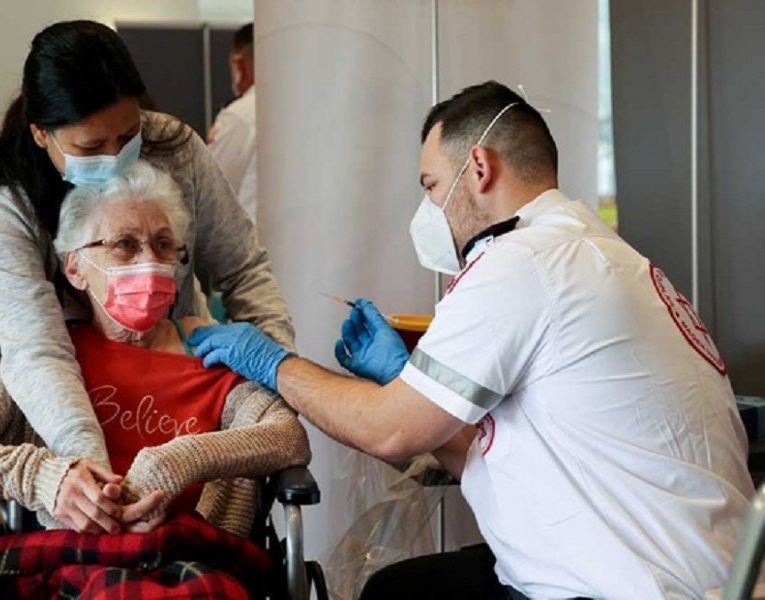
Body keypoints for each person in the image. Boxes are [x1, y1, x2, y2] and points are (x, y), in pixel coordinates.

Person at [188, 81, 755, 598]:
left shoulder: (520, 265)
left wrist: (269, 359)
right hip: (693, 573)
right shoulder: (603, 256)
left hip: (624, 586)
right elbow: (503, 459)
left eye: (431, 186)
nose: (429, 209)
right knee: (400, 589)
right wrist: (401, 380)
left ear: (479, 168)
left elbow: (390, 431)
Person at [0, 162, 310, 595]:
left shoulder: (214, 353)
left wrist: (174, 461)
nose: (150, 262)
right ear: (75, 268)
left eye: (163, 245)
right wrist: (45, 477)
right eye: (124, 245)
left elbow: (288, 435)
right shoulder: (49, 365)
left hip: (193, 556)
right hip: (75, 559)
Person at [0, 20, 293, 506]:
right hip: (71, 408)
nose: (116, 158)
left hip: (178, 381)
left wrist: (276, 368)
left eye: (128, 135)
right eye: (91, 148)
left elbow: (242, 267)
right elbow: (37, 351)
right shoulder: (4, 206)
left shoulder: (174, 147)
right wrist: (90, 474)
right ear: (40, 134)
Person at [207, 22, 257, 222]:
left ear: (239, 65)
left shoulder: (240, 116)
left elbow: (211, 190)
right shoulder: (316, 109)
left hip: (254, 243)